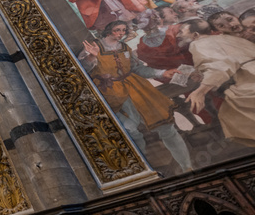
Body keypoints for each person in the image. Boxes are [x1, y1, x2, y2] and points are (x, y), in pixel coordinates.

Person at [80, 21, 193, 171]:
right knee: (130, 131)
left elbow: (138, 68)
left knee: (166, 126)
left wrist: (162, 73)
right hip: (110, 93)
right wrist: (91, 57)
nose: (121, 33)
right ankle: (144, 169)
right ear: (108, 30)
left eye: (123, 30)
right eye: (117, 30)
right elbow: (80, 70)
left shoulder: (125, 47)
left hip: (136, 89)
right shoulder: (94, 47)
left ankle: (187, 167)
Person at [179, 20, 255, 146]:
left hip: (252, 77)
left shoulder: (198, 43)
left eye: (182, 32)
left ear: (195, 35)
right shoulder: (225, 37)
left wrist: (200, 91)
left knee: (232, 114)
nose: (179, 35)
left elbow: (219, 67)